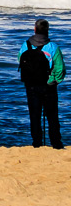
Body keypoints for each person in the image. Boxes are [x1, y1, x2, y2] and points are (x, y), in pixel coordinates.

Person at [19, 19, 64, 149]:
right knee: (52, 116)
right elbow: (60, 69)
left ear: (35, 29)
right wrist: (53, 81)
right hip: (48, 86)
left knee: (34, 115)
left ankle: (37, 143)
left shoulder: (25, 45)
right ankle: (56, 143)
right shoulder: (53, 47)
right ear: (47, 31)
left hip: (31, 86)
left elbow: (20, 61)